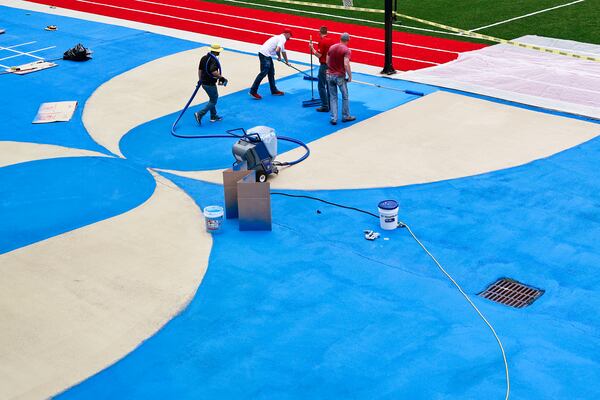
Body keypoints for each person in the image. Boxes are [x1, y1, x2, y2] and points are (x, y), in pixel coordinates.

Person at [249, 29, 292, 100]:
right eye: (289, 36)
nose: (289, 38)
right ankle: (253, 91)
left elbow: (283, 51)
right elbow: (277, 50)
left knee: (271, 73)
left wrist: (287, 62)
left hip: (266, 55)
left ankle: (274, 90)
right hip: (265, 55)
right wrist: (279, 57)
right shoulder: (282, 39)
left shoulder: (280, 38)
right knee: (263, 73)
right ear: (287, 34)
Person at [326, 32, 356, 125]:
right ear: (348, 40)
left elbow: (327, 61)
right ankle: (346, 116)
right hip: (339, 77)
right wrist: (350, 76)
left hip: (330, 75)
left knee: (333, 97)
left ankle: (334, 118)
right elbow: (346, 64)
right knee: (345, 96)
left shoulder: (332, 47)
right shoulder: (346, 50)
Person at [195, 44, 228, 125]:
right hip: (210, 83)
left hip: (204, 83)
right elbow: (213, 71)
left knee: (212, 99)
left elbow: (200, 70)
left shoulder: (204, 58)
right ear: (216, 52)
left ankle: (213, 116)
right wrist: (221, 77)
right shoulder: (214, 60)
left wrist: (200, 80)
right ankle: (200, 114)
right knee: (214, 100)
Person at [309, 26, 335, 112]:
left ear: (320, 33)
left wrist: (312, 48)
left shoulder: (321, 41)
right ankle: (331, 104)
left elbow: (319, 55)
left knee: (321, 85)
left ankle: (325, 105)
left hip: (324, 66)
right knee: (329, 85)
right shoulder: (332, 40)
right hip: (331, 65)